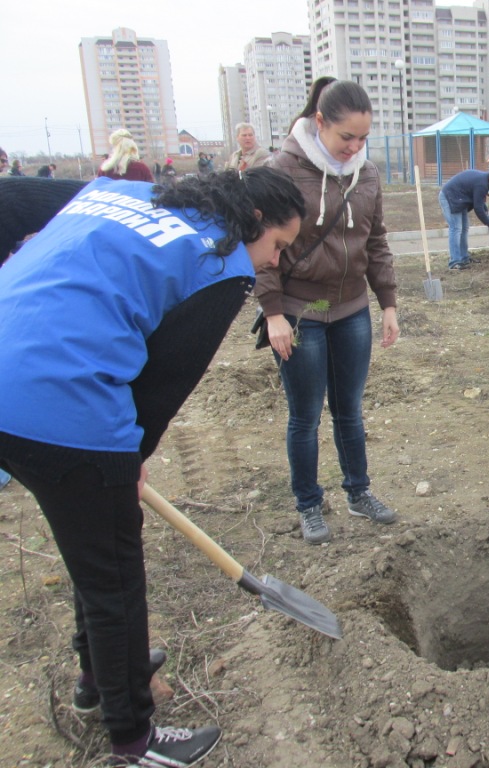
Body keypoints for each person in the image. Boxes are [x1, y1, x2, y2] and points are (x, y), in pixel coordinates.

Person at [0, 168, 304, 766]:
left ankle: (100, 679)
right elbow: (164, 384)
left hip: (10, 379)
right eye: (277, 245)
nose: (271, 261)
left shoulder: (118, 191)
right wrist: (127, 460)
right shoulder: (220, 261)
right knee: (115, 578)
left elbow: (14, 200)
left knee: (92, 553)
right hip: (64, 403)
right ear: (252, 223)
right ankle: (134, 740)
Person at [257, 77, 400, 542]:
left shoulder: (368, 173)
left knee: (349, 411)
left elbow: (375, 243)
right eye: (346, 137)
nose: (354, 147)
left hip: (350, 306)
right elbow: (260, 247)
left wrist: (389, 304)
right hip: (306, 305)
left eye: (363, 138)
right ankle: (309, 504)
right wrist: (274, 311)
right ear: (319, 122)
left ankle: (359, 493)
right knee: (305, 416)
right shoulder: (281, 170)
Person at [438, 168, 489, 269]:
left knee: (464, 228)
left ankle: (464, 258)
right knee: (456, 228)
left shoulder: (485, 181)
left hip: (460, 199)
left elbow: (479, 200)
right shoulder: (482, 184)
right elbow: (478, 209)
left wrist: (487, 212)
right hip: (449, 197)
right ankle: (455, 262)